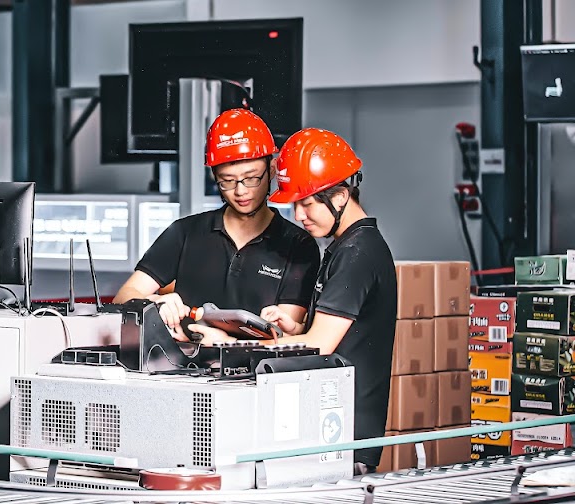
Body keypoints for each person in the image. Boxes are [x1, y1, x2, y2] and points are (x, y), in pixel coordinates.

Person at [188, 128, 397, 475]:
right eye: (295, 204)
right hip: (332, 427)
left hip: (343, 437)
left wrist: (228, 345)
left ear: (341, 196)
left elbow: (320, 346)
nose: (299, 215)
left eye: (307, 202)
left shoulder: (359, 253)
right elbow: (336, 335)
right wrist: (291, 329)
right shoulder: (346, 248)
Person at [112, 109, 320, 339]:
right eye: (227, 182)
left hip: (256, 372)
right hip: (179, 369)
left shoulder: (298, 246)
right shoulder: (184, 232)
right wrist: (152, 302)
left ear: (271, 170)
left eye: (251, 178)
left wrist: (225, 344)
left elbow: (283, 334)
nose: (241, 191)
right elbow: (123, 296)